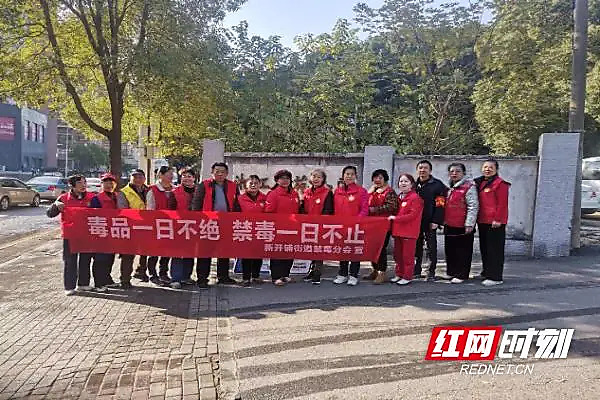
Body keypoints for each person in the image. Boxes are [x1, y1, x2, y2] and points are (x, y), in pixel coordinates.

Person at [191, 162, 240, 288]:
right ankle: (202, 278)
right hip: (207, 222)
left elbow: (237, 204)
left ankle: (223, 277)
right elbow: (196, 203)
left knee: (224, 251)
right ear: (212, 172)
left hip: (226, 222)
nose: (220, 174)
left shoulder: (233, 186)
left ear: (227, 173)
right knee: (205, 251)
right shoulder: (204, 185)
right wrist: (196, 220)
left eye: (222, 172)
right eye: (217, 171)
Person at [46, 175, 95, 295]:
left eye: (84, 182)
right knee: (70, 261)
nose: (83, 185)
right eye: (79, 183)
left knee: (85, 260)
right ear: (72, 185)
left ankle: (83, 284)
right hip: (70, 235)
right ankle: (69, 286)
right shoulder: (63, 198)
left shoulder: (92, 197)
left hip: (87, 234)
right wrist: (56, 205)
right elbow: (50, 214)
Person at [474, 159, 510, 286]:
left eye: (490, 167)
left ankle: (495, 277)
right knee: (485, 248)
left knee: (495, 249)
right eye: (485, 167)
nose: (487, 169)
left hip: (495, 222)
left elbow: (502, 204)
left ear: (496, 169)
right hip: (483, 220)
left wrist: (498, 219)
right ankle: (486, 271)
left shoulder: (500, 184)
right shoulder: (480, 183)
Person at [332, 166, 368, 286]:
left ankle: (353, 275)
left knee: (354, 251)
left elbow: (364, 209)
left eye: (352, 174)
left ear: (356, 176)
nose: (349, 176)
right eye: (347, 174)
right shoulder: (337, 191)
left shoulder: (361, 191)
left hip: (355, 227)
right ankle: (342, 274)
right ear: (343, 176)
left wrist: (356, 221)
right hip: (340, 227)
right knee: (342, 250)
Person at [444, 163, 479, 284]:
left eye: (457, 171)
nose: (454, 173)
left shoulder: (469, 187)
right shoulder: (449, 187)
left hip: (463, 225)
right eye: (452, 171)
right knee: (450, 250)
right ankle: (452, 272)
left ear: (463, 173)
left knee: (463, 251)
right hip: (449, 224)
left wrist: (469, 224)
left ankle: (462, 274)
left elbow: (473, 206)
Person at [414, 160, 448, 281]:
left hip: (430, 221)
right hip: (415, 221)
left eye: (425, 168)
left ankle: (430, 272)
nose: (422, 170)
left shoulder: (437, 185)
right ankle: (416, 270)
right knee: (416, 246)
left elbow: (441, 204)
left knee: (431, 247)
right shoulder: (413, 185)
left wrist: (436, 221)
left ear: (430, 170)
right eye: (420, 168)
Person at [265, 169, 300, 286]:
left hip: (292, 228)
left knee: (289, 251)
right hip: (278, 229)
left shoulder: (294, 194)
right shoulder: (273, 194)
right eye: (282, 178)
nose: (285, 181)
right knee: (277, 253)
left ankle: (285, 275)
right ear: (277, 180)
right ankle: (276, 277)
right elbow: (269, 212)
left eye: (287, 178)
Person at [389, 173, 424, 285]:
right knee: (398, 255)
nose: (403, 183)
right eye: (401, 181)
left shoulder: (415, 198)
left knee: (407, 256)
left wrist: (396, 218)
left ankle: (407, 276)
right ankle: (399, 274)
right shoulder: (399, 197)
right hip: (398, 231)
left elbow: (412, 215)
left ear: (411, 184)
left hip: (409, 232)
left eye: (406, 181)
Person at [300, 169, 334, 285]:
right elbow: (303, 209)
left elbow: (328, 210)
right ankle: (311, 271)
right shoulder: (307, 192)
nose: (316, 179)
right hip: (308, 226)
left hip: (321, 226)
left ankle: (317, 273)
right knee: (311, 249)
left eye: (319, 177)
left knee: (319, 249)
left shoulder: (327, 192)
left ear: (323, 179)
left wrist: (322, 223)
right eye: (314, 176)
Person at [364, 169, 398, 284]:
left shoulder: (389, 192)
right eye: (375, 178)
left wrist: (374, 209)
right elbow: (364, 203)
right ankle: (374, 269)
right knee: (372, 248)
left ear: (385, 179)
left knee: (381, 249)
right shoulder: (373, 191)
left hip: (384, 225)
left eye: (380, 178)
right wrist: (369, 193)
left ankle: (382, 272)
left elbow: (392, 206)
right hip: (372, 224)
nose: (377, 180)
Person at [117, 169, 148, 287]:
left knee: (145, 251)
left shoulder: (148, 190)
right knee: (128, 254)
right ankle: (125, 279)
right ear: (130, 178)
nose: (138, 179)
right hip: (130, 227)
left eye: (140, 177)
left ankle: (141, 272)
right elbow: (122, 209)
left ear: (144, 179)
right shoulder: (124, 192)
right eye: (135, 177)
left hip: (146, 226)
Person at [236, 175, 268, 286]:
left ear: (260, 184)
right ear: (246, 185)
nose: (253, 185)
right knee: (246, 254)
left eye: (256, 183)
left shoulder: (265, 198)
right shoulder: (240, 198)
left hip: (260, 229)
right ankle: (246, 278)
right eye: (251, 183)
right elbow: (235, 214)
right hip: (246, 229)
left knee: (258, 254)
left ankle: (256, 276)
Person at [89, 173, 119, 292]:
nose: (109, 185)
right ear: (101, 184)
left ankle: (107, 279)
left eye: (111, 183)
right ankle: (98, 283)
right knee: (100, 258)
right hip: (101, 232)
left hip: (114, 231)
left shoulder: (116, 197)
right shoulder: (96, 198)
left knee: (110, 257)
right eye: (106, 182)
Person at [146, 166, 174, 285]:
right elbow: (150, 208)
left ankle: (163, 273)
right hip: (156, 225)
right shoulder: (152, 190)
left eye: (172, 174)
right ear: (160, 175)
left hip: (171, 226)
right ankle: (152, 274)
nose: (171, 176)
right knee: (154, 252)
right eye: (168, 174)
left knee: (167, 251)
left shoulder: (174, 189)